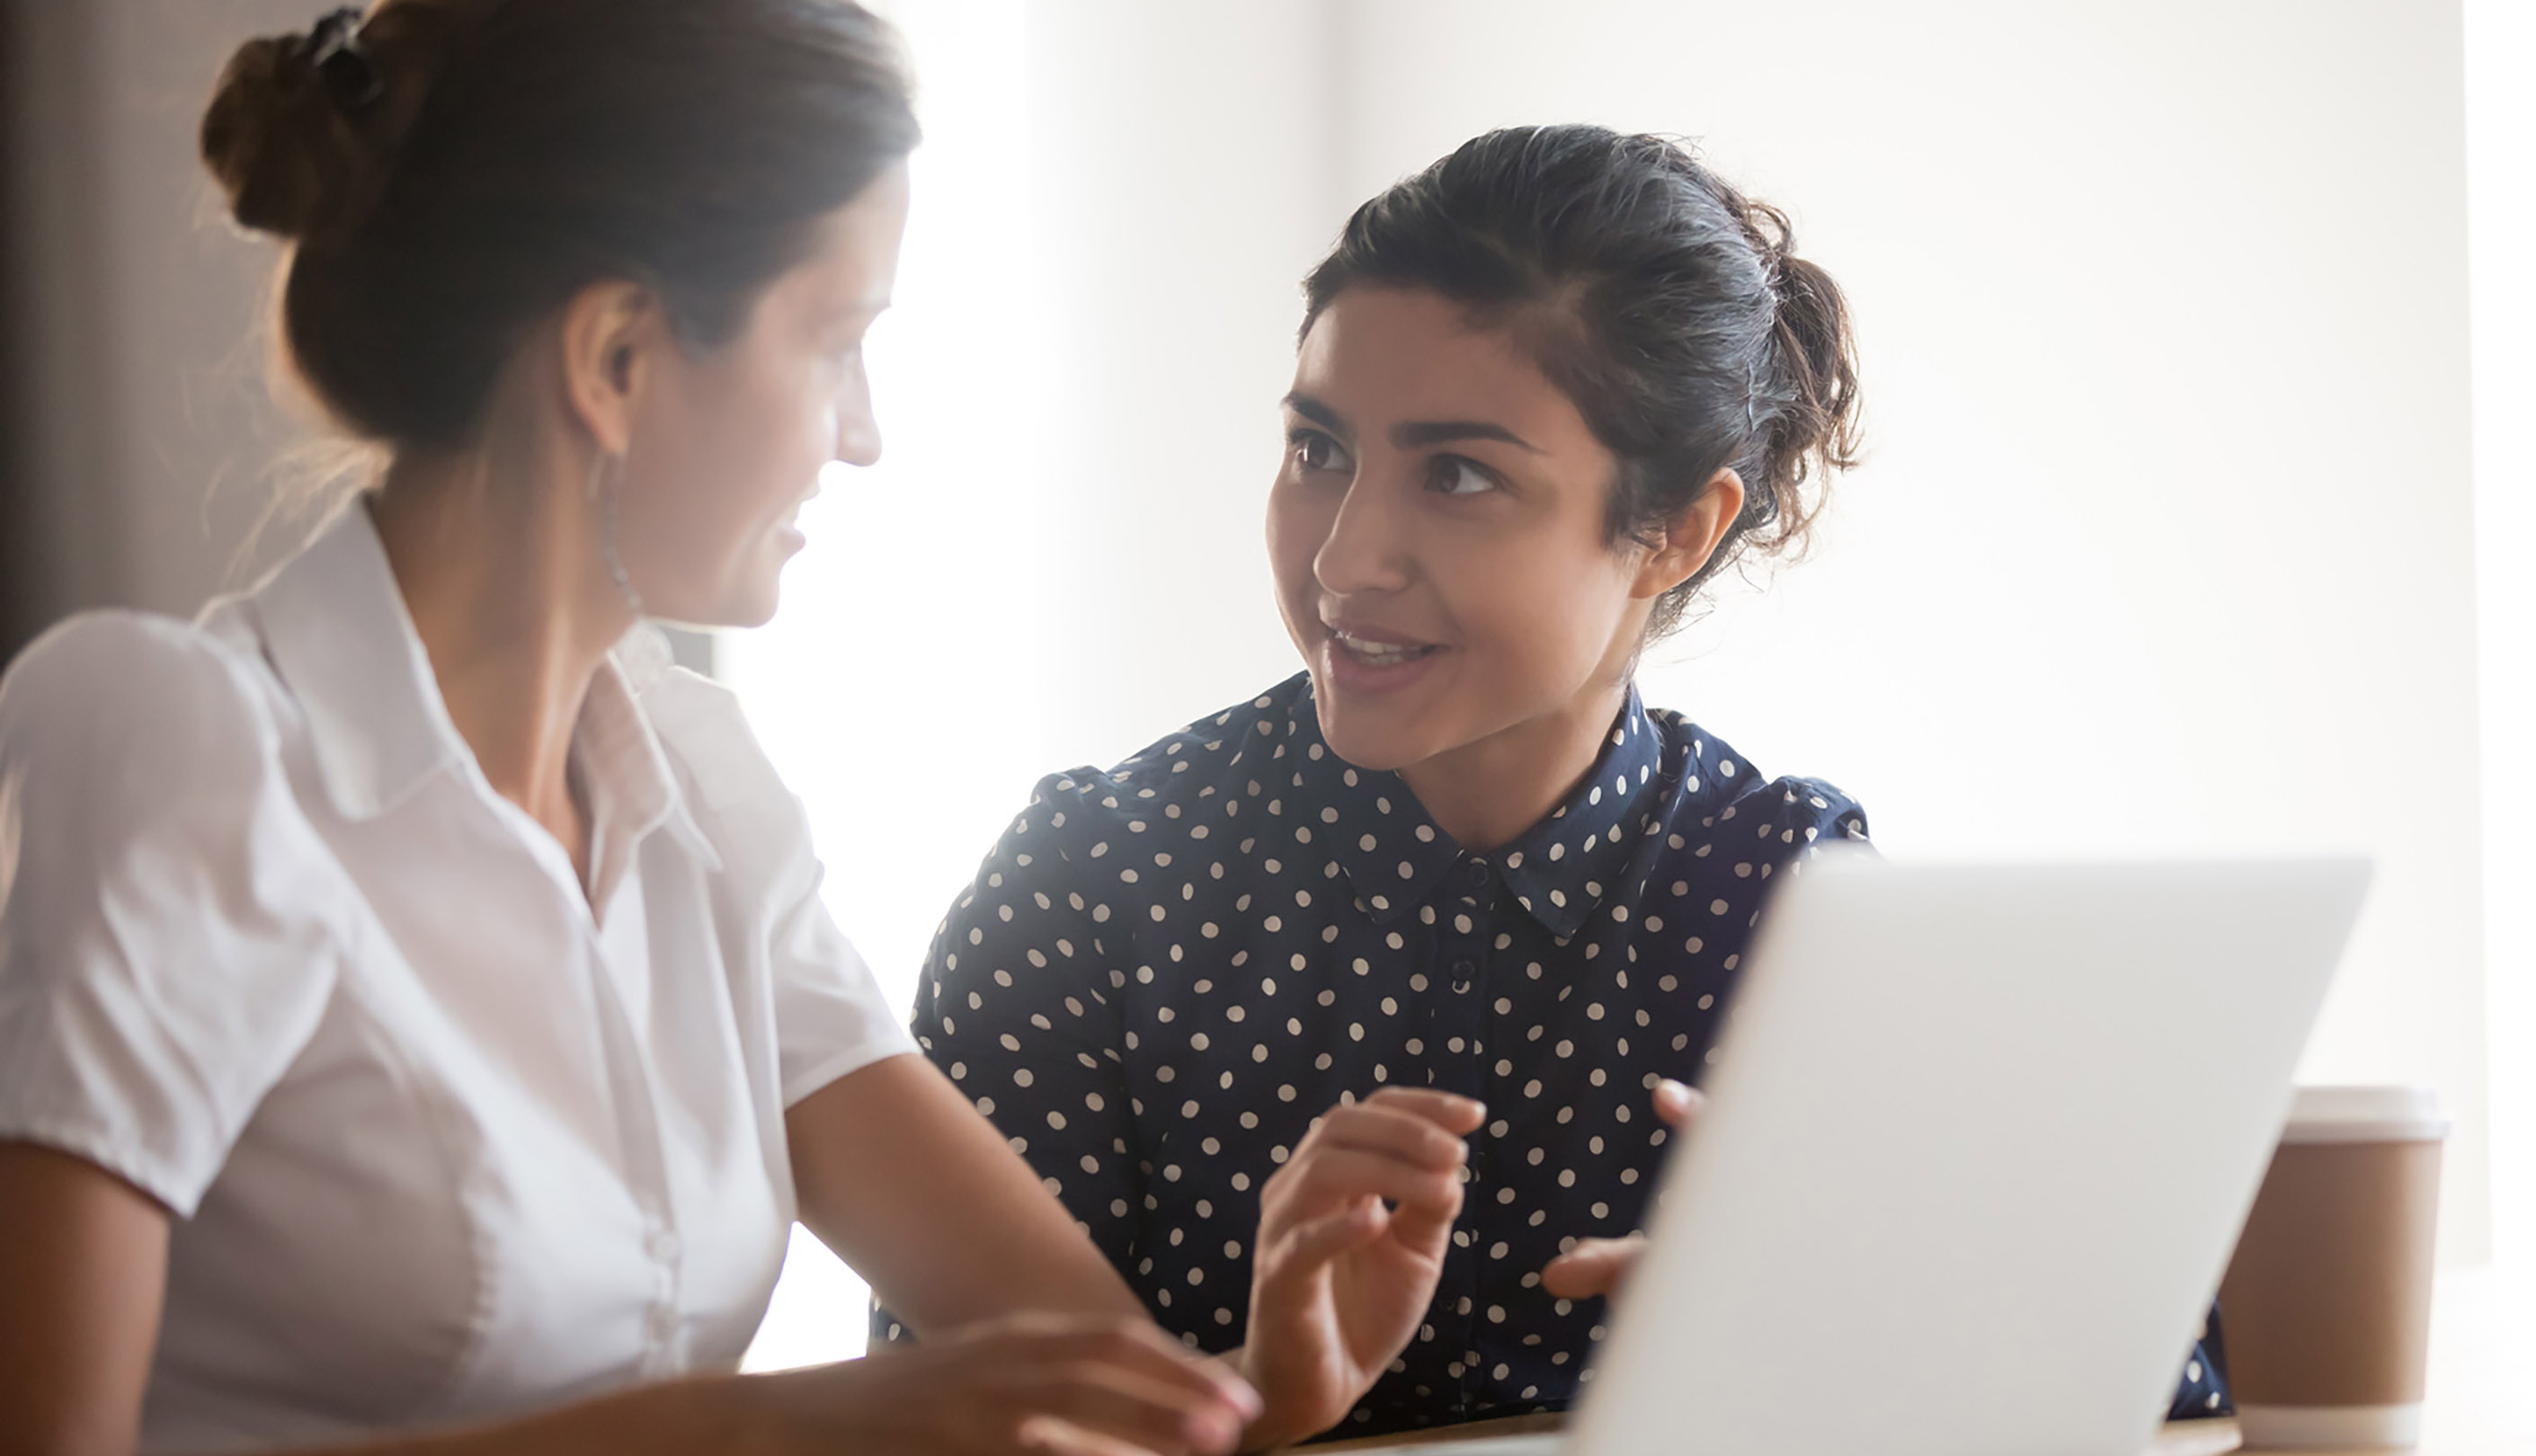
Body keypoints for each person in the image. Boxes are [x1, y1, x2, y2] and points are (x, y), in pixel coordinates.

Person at [0, 4, 1473, 1453]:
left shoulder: (697, 789)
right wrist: (763, 1430)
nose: (863, 432)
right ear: (616, 359)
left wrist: (1266, 1388)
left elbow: (1081, 1377)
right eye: (837, 342)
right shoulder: (181, 743)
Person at [912, 124, 2232, 1435]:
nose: (1345, 558)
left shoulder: (1792, 899)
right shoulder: (1093, 887)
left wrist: (1848, 1340)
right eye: (1319, 450)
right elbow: (942, 1422)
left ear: (1675, 533)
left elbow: (2165, 1381)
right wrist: (1256, 1397)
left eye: (1459, 475)